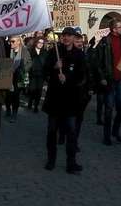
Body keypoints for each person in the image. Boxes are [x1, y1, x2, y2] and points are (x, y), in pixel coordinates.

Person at [42, 27, 87, 174]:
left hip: (71, 99)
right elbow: (44, 71)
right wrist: (55, 67)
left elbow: (82, 77)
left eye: (69, 35)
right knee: (51, 131)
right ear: (61, 38)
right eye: (64, 35)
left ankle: (71, 162)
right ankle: (51, 159)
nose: (66, 38)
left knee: (71, 132)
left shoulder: (79, 55)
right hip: (55, 98)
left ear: (74, 38)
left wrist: (67, 78)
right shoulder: (54, 51)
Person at [94, 20, 121, 145]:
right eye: (120, 27)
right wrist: (102, 77)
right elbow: (98, 62)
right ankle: (106, 136)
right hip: (109, 79)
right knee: (109, 109)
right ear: (113, 29)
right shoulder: (104, 42)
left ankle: (115, 131)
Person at [5, 35, 31, 123]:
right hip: (8, 76)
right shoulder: (8, 49)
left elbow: (29, 62)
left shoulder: (24, 50)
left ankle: (14, 113)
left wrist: (23, 70)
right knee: (8, 95)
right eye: (10, 41)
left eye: (13, 41)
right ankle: (8, 109)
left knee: (16, 96)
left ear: (19, 42)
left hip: (18, 77)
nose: (10, 43)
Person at [27, 36, 46, 113]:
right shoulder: (31, 51)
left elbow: (46, 63)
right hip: (33, 73)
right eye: (39, 42)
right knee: (32, 89)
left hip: (41, 74)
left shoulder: (44, 52)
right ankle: (30, 101)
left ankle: (36, 106)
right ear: (36, 43)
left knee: (39, 90)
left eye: (42, 43)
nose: (41, 44)